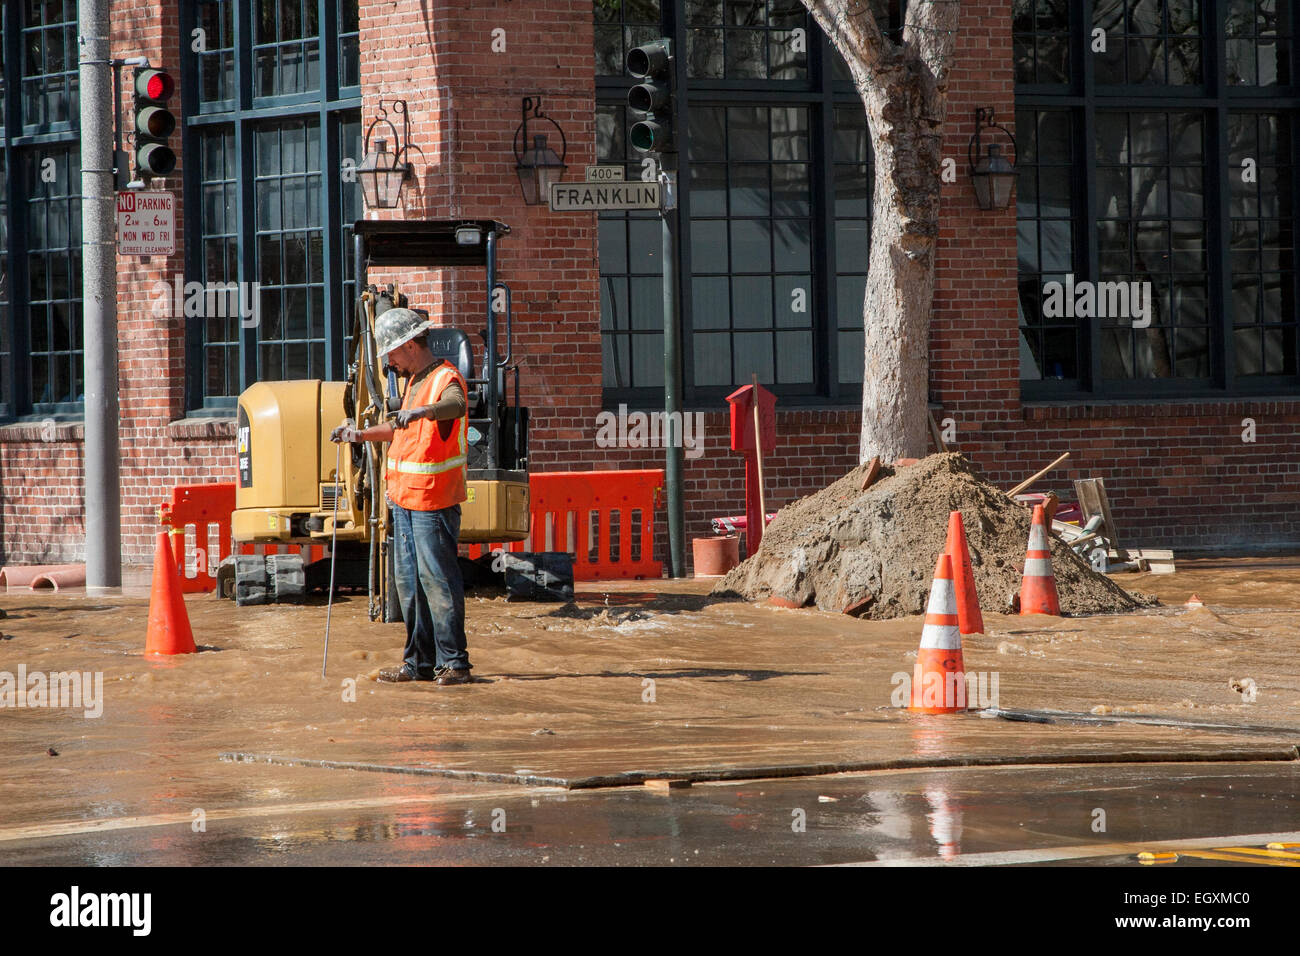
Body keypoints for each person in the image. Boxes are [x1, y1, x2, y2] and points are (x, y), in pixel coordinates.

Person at [331, 307, 473, 686]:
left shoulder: (444, 378)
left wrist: (423, 411)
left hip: (433, 503)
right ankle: (418, 664)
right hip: (405, 503)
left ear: (410, 345)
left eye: (391, 353)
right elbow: (399, 430)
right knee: (410, 586)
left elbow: (458, 404)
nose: (389, 362)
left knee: (437, 582)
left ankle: (455, 664)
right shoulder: (413, 382)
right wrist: (358, 436)